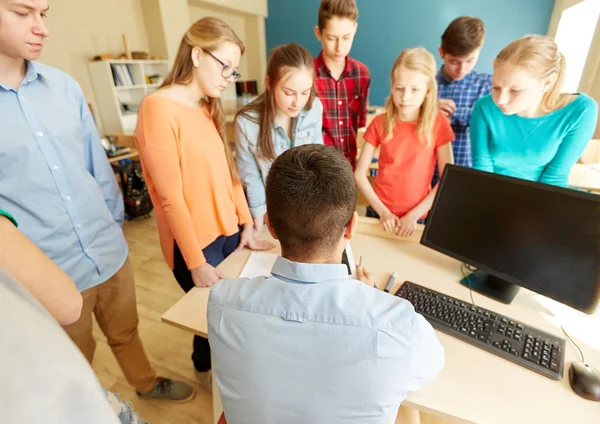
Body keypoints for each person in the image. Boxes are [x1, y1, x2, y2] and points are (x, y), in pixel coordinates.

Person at [0, 0, 193, 401]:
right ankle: (88, 404)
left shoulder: (65, 87)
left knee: (126, 330)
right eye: (23, 13)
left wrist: (114, 222)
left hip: (107, 249)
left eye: (44, 14)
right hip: (50, 270)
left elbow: (97, 165)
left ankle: (144, 383)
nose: (42, 28)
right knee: (70, 358)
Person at [208, 144, 445, 424]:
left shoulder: (221, 302)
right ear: (351, 227)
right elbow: (431, 367)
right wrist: (372, 298)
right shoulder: (398, 324)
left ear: (271, 226)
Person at [134, 17, 274, 389]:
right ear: (197, 54)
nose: (230, 77)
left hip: (229, 232)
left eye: (234, 69)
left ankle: (205, 360)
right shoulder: (157, 108)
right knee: (217, 318)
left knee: (223, 315)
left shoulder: (206, 106)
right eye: (224, 66)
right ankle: (212, 374)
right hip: (195, 244)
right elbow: (170, 200)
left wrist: (246, 223)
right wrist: (195, 262)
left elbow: (228, 173)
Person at [0, 210, 147, 424]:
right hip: (60, 274)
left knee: (125, 331)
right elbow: (68, 305)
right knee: (78, 350)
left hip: (105, 253)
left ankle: (146, 383)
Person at [471, 35, 598, 187]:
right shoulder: (484, 107)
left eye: (515, 90)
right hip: (489, 192)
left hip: (541, 198)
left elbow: (555, 177)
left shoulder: (581, 111)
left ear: (547, 83)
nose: (501, 100)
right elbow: (482, 170)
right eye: (496, 87)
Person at [355, 48, 454, 237]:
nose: (405, 97)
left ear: (427, 91)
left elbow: (447, 179)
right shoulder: (379, 123)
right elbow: (359, 174)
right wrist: (383, 212)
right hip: (379, 215)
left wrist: (413, 215)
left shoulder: (438, 123)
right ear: (392, 85)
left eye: (415, 89)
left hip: (418, 218)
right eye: (399, 88)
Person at [235, 42, 323, 235]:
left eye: (305, 92)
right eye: (288, 93)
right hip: (270, 210)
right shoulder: (247, 122)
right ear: (269, 84)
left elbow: (318, 159)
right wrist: (259, 218)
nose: (297, 102)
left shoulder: (314, 107)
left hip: (307, 207)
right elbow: (250, 176)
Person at [313, 0, 370, 167]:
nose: (339, 47)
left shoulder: (362, 75)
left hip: (349, 169)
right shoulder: (307, 75)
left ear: (355, 29)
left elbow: (360, 123)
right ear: (319, 33)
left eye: (346, 37)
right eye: (332, 38)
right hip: (317, 170)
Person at [436, 16, 492, 170]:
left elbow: (491, 123)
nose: (462, 70)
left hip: (467, 172)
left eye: (469, 60)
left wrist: (451, 114)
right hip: (426, 175)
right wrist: (427, 110)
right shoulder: (425, 85)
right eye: (454, 62)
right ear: (441, 52)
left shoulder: (488, 85)